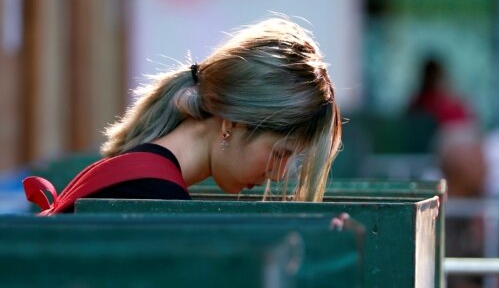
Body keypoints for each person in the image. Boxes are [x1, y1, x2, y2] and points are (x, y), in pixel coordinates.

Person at [23, 17, 341, 214]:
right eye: (280, 153)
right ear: (232, 122)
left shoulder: (141, 177)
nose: (279, 173)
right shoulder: (153, 197)